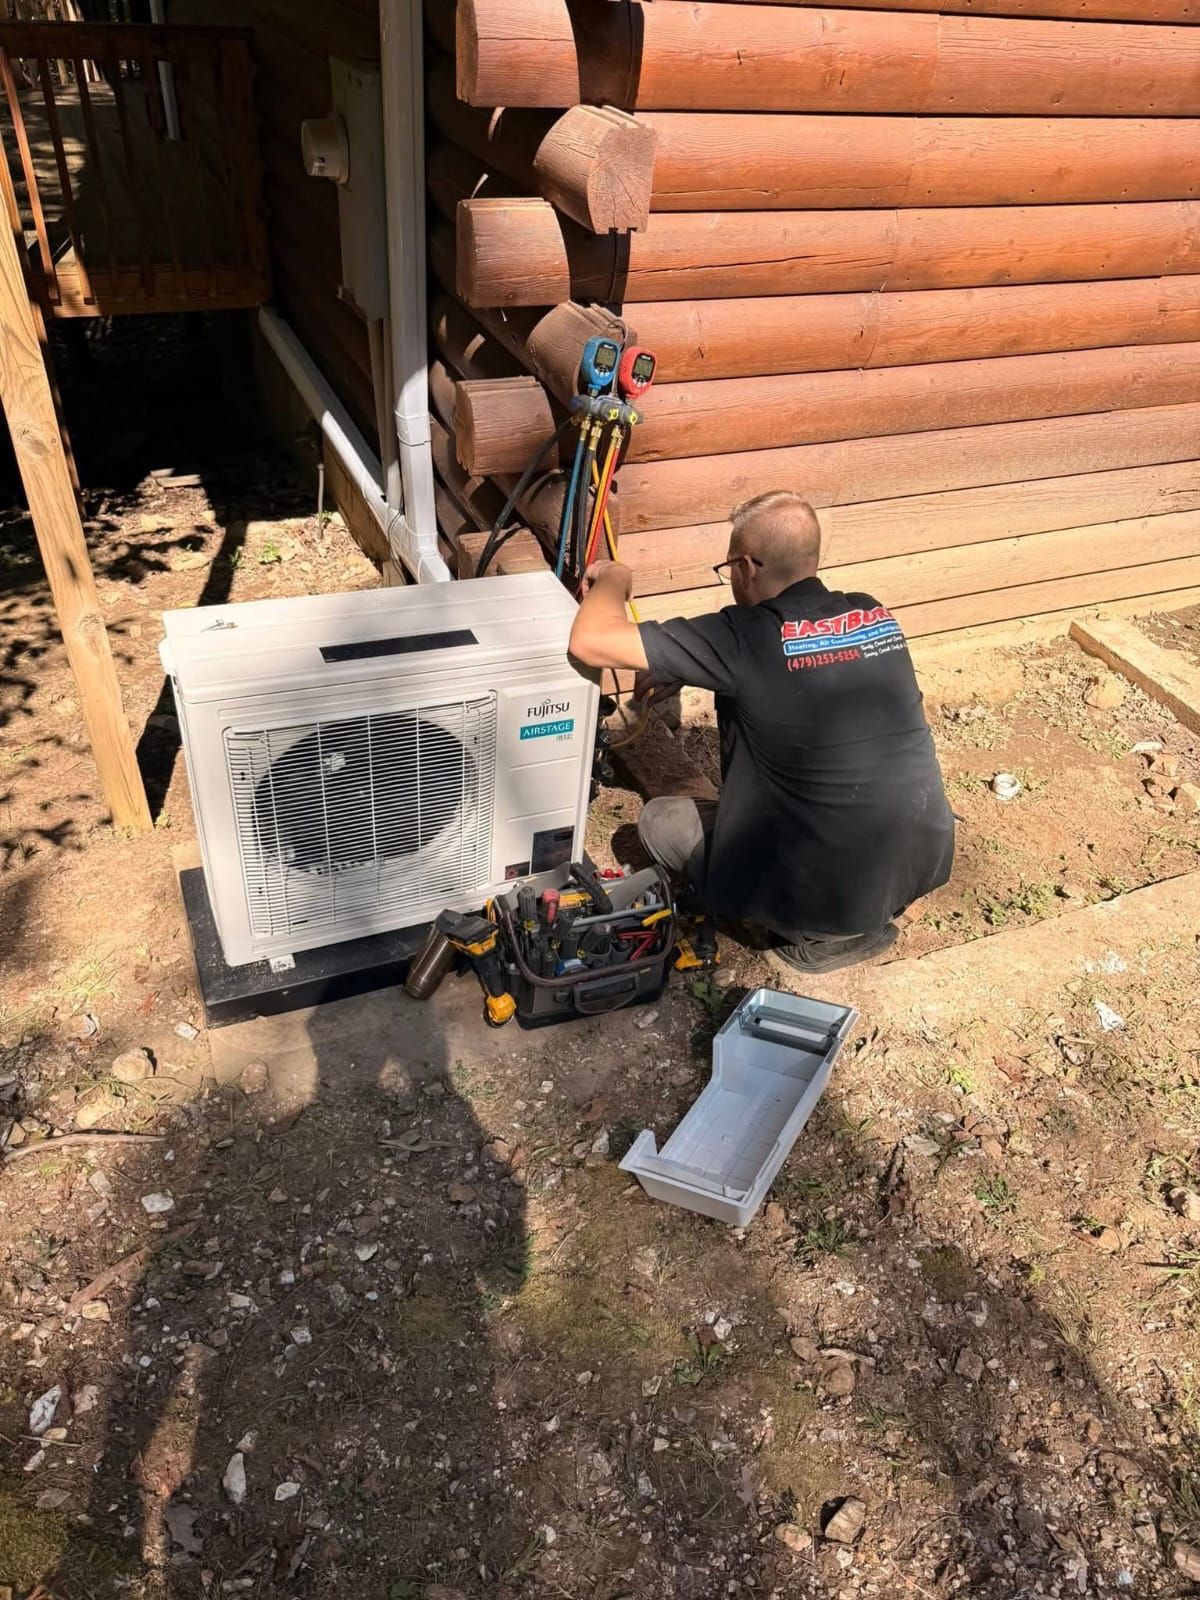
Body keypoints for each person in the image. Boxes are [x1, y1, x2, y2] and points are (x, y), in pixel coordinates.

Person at [568, 489, 955, 975]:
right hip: (916, 866)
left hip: (820, 898)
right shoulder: (871, 615)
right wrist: (693, 667)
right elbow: (797, 669)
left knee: (659, 820)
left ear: (746, 567)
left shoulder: (745, 635)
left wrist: (615, 577)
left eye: (728, 567)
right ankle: (861, 916)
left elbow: (590, 641)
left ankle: (809, 935)